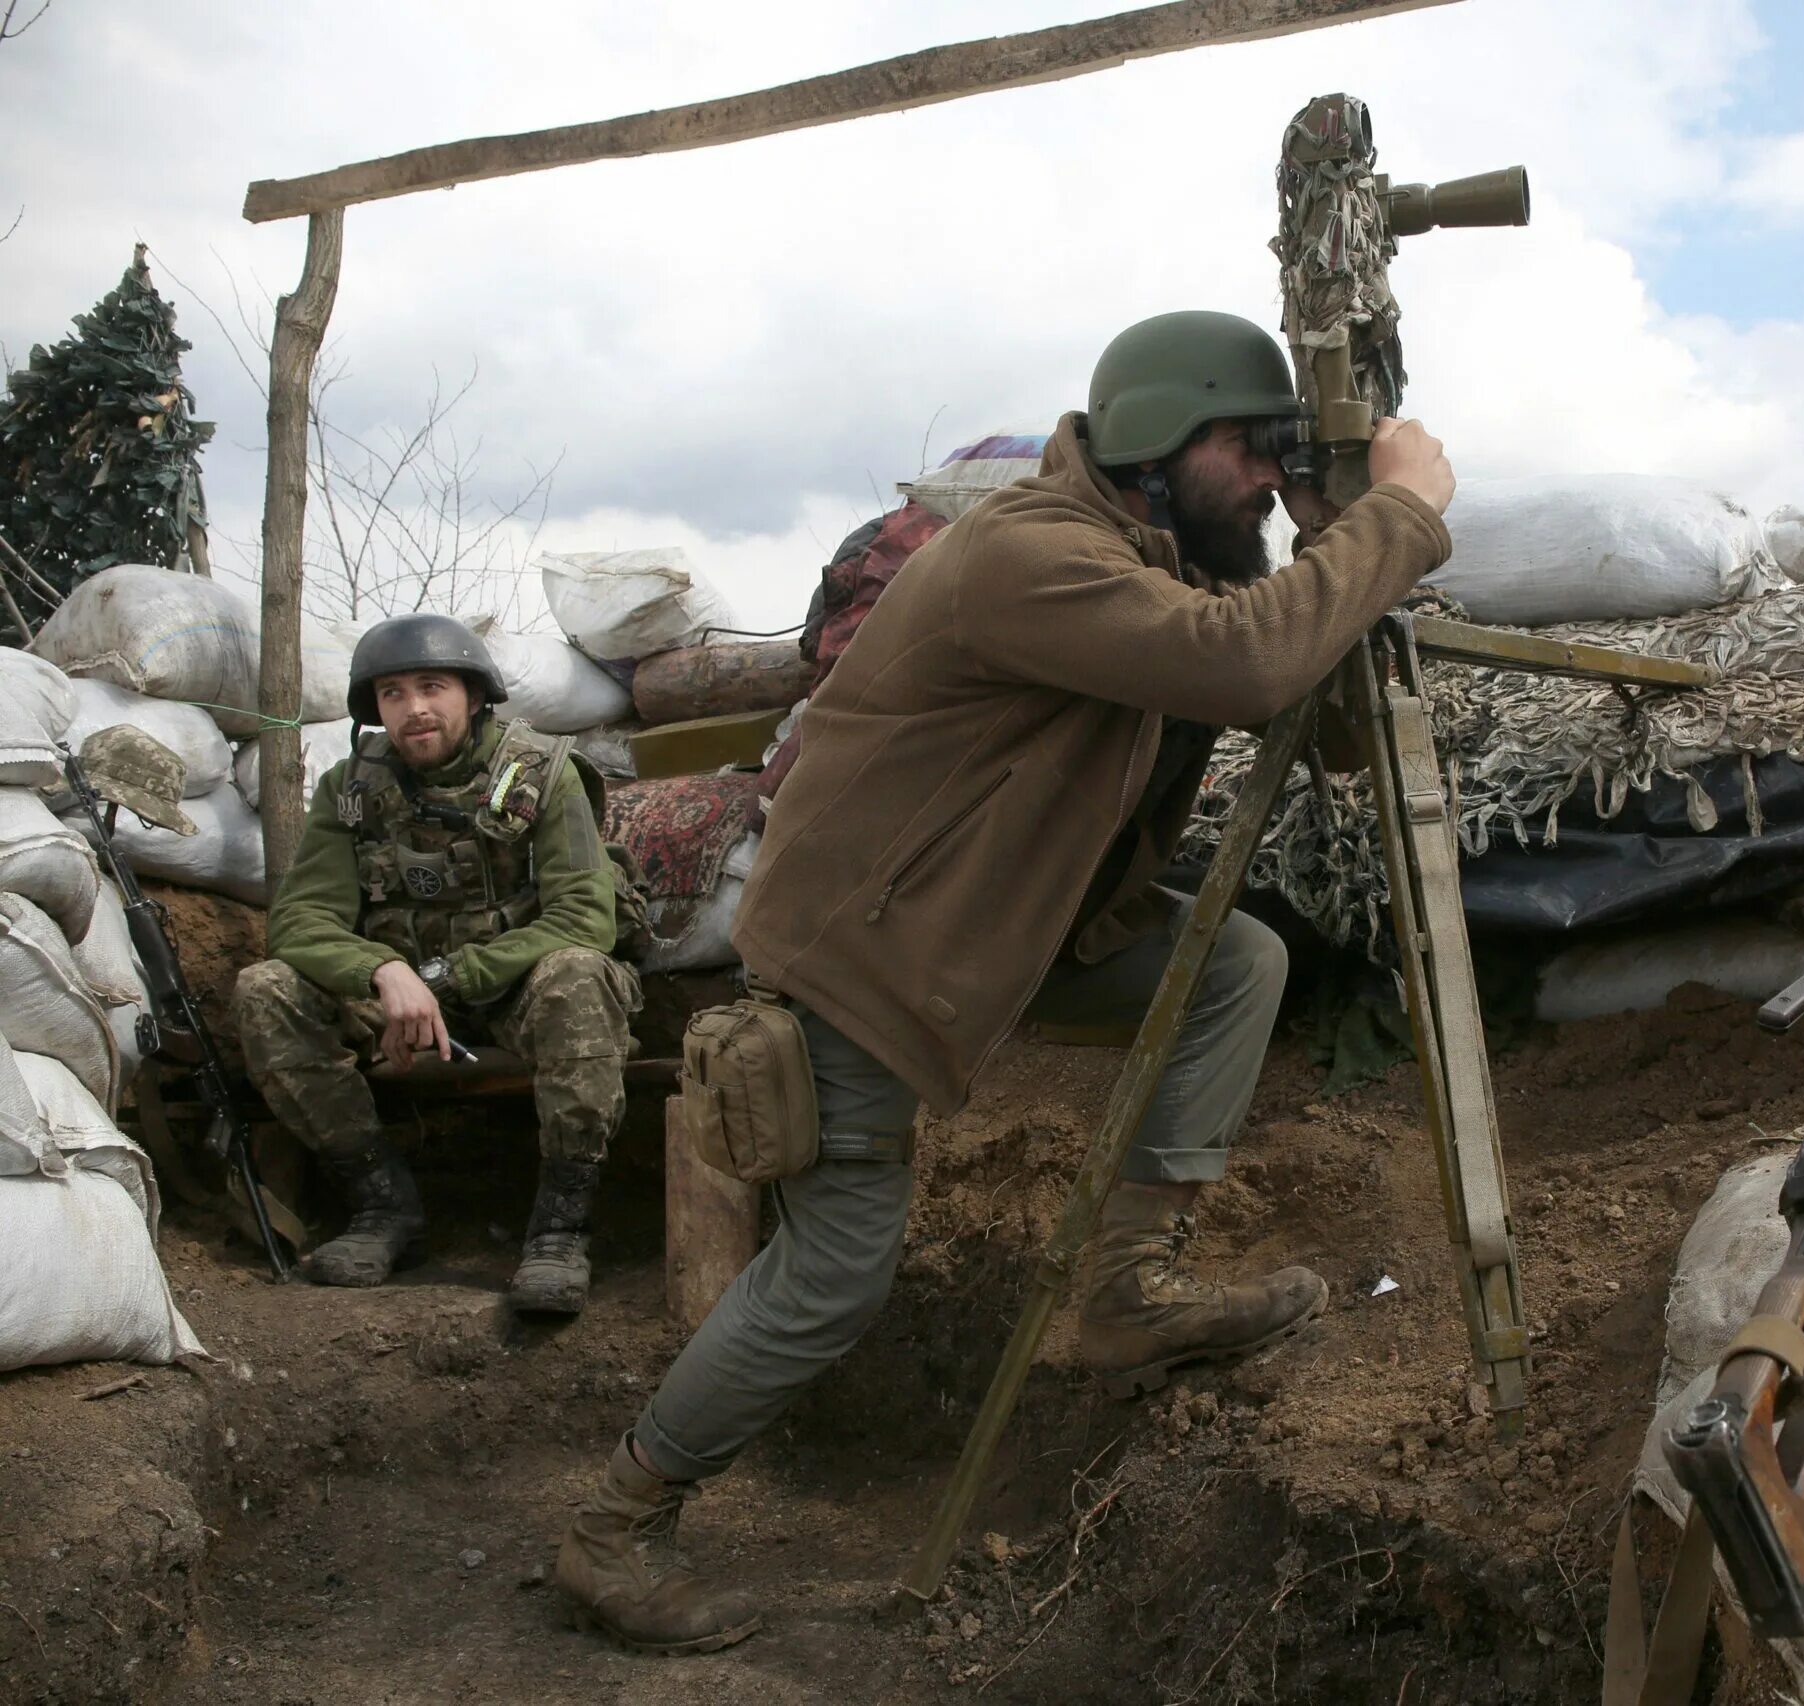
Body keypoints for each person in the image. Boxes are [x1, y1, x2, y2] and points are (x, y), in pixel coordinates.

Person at [550, 309, 1457, 1653]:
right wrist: (1405, 516)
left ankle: (1124, 1288)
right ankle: (614, 1525)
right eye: (1247, 450)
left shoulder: (1157, 571)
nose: (1266, 480)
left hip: (993, 942)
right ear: (1159, 440)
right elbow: (1249, 659)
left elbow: (1301, 710)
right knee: (833, 1279)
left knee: (1233, 962)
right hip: (870, 956)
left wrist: (1334, 529)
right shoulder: (1035, 556)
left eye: (1280, 458)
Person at [233, 614, 640, 1315]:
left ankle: (559, 1230)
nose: (414, 707)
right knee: (265, 990)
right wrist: (383, 973)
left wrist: (444, 980)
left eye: (432, 686)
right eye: (393, 693)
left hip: (512, 989)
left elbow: (584, 918)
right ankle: (382, 1207)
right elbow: (300, 922)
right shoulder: (350, 790)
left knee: (578, 973)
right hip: (399, 997)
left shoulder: (542, 774)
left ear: (474, 696)